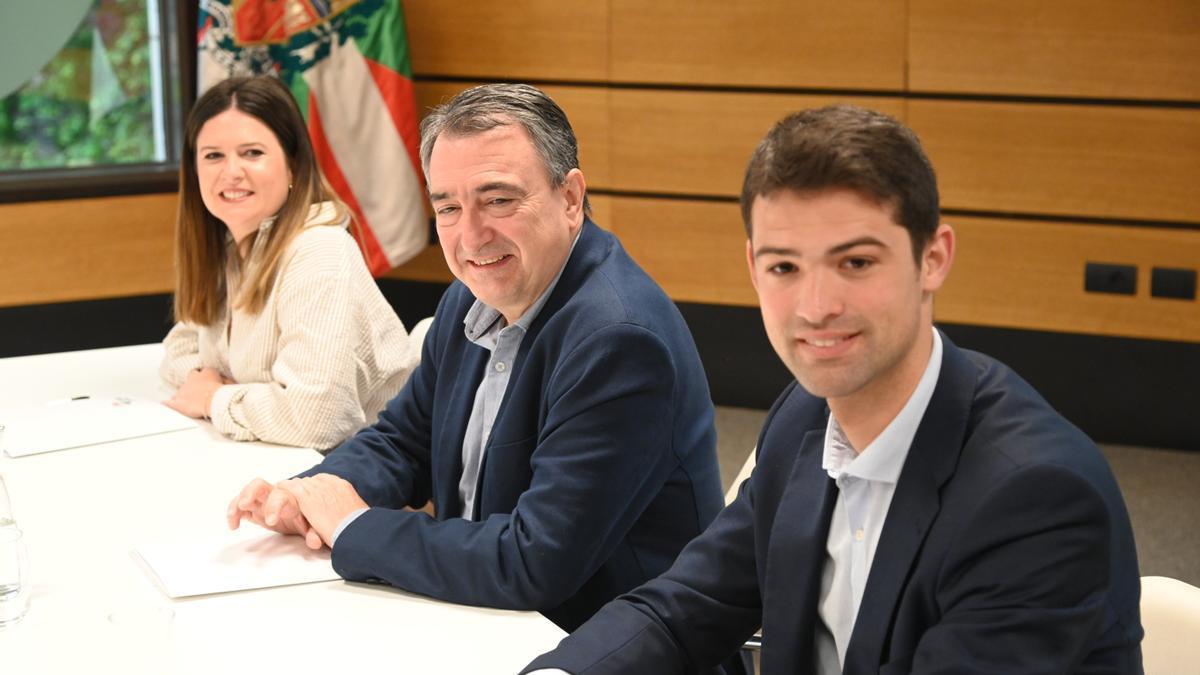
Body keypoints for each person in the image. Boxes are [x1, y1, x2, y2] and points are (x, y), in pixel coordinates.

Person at [522, 105, 1143, 674]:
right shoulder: (804, 416)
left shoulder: (1036, 497)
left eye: (856, 263)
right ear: (753, 269)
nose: (816, 307)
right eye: (785, 267)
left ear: (933, 258)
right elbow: (684, 606)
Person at [225, 83, 726, 633]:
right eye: (448, 207)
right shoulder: (473, 293)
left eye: (498, 200)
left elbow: (534, 561)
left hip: (597, 643)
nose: (471, 236)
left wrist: (351, 525)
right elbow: (403, 441)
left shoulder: (619, 341)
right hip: (481, 614)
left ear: (570, 198)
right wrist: (304, 494)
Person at [159, 76, 423, 451]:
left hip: (361, 477)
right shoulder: (231, 248)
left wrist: (213, 399)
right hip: (271, 459)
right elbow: (178, 354)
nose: (231, 172)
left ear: (294, 167)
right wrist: (219, 390)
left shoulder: (319, 251)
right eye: (213, 155)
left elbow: (319, 419)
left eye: (252, 153)